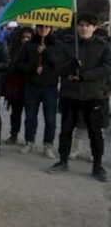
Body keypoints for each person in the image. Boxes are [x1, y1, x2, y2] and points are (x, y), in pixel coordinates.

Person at [47, 14, 111, 182]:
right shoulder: (67, 45)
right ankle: (62, 161)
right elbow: (57, 68)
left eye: (88, 25)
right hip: (70, 94)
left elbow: (107, 68)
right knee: (66, 131)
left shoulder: (103, 46)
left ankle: (97, 166)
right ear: (77, 27)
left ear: (95, 27)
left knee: (95, 133)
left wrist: (84, 75)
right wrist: (70, 66)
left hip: (93, 95)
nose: (84, 28)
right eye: (81, 25)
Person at [16, 25, 61, 158]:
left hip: (50, 87)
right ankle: (29, 142)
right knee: (30, 117)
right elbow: (19, 64)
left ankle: (48, 144)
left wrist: (46, 52)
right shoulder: (29, 45)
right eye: (41, 27)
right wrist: (32, 68)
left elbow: (59, 65)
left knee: (50, 118)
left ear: (51, 28)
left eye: (47, 27)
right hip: (32, 86)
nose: (43, 29)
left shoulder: (57, 44)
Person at [2, 27, 33, 144]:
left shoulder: (35, 49)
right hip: (16, 86)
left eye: (28, 37)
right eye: (23, 37)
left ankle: (28, 139)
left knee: (30, 114)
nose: (25, 39)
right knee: (15, 113)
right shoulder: (14, 49)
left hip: (30, 86)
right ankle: (13, 134)